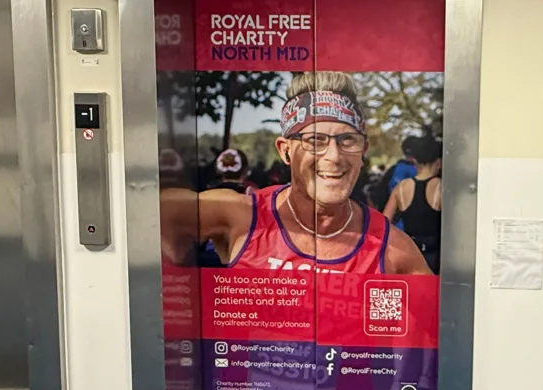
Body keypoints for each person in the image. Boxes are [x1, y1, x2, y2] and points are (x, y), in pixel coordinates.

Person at [162, 71, 431, 275]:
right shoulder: (242, 215)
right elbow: (139, 213)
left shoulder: (393, 248)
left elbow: (436, 337)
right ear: (285, 150)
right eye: (315, 141)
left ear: (363, 150)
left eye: (348, 140)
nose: (334, 156)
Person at [384, 137, 442, 274]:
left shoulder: (401, 187)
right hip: (436, 257)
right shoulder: (442, 187)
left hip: (409, 255)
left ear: (415, 161)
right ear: (439, 163)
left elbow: (384, 224)